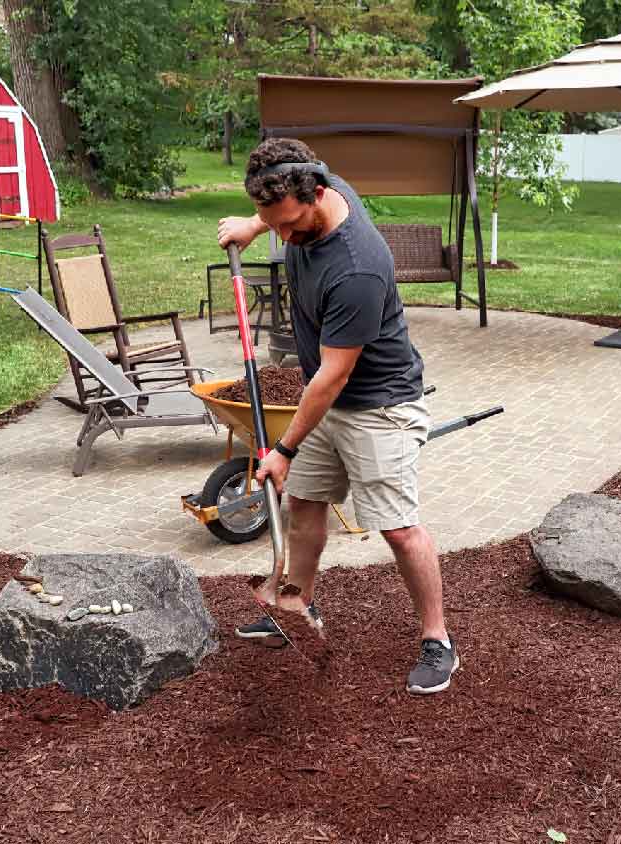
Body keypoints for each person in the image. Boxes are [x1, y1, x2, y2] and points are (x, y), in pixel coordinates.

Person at [216, 138, 458, 695]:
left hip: (378, 405)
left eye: (290, 226)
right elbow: (275, 210)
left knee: (397, 529)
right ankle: (293, 607)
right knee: (303, 504)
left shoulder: (359, 269)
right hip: (326, 399)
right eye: (270, 222)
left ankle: (438, 639)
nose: (283, 237)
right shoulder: (303, 185)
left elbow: (332, 377)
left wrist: (283, 448)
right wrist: (255, 227)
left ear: (318, 195)